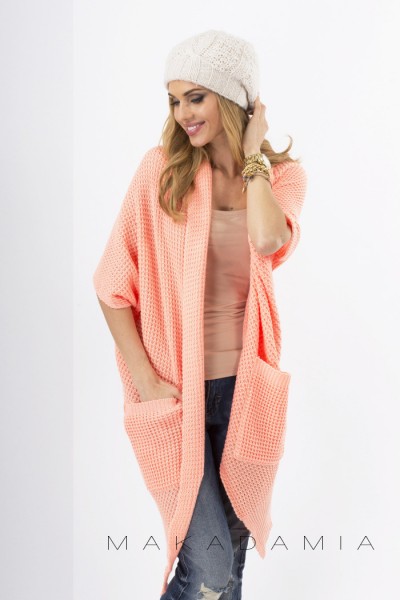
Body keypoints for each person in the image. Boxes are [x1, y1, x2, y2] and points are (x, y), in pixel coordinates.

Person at [93, 29, 307, 600]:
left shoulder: (282, 177)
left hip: (245, 394)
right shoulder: (162, 171)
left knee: (230, 569)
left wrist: (255, 157)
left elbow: (268, 239)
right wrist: (145, 381)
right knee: (208, 568)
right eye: (174, 100)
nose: (182, 113)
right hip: (175, 394)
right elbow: (111, 285)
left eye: (196, 97)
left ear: (235, 97)